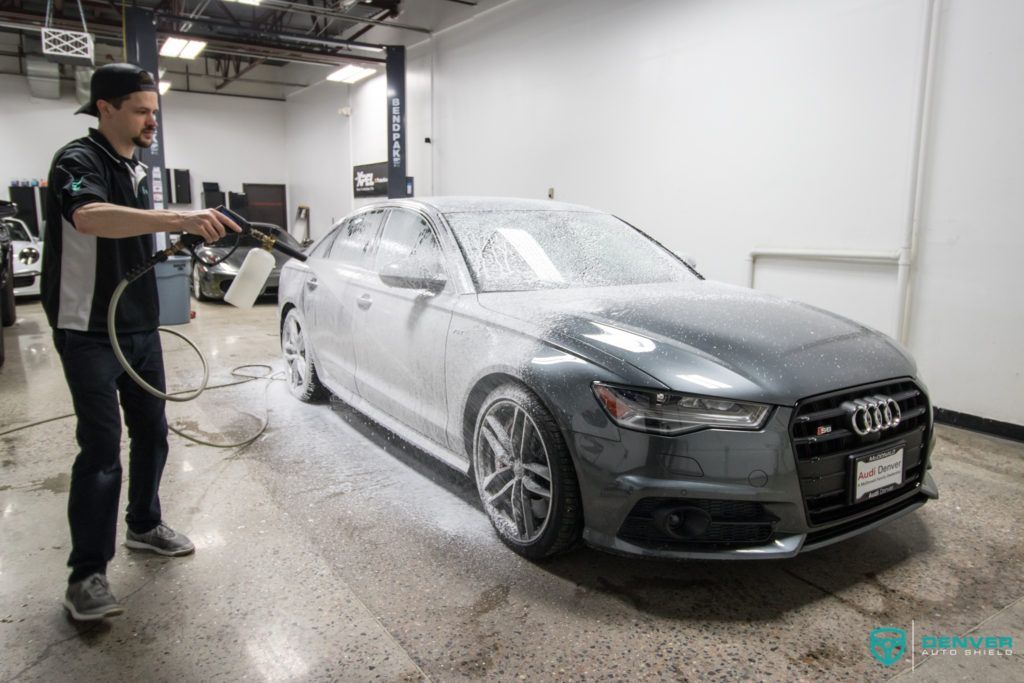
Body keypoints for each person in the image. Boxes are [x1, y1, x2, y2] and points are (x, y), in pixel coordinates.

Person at [41, 62, 241, 621]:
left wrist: (183, 237)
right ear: (105, 107)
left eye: (155, 111)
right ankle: (86, 576)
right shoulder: (77, 161)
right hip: (87, 328)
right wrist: (177, 218)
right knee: (102, 450)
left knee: (153, 431)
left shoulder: (135, 167)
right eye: (141, 110)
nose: (152, 120)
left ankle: (145, 525)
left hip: (138, 326)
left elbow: (131, 237)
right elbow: (90, 219)